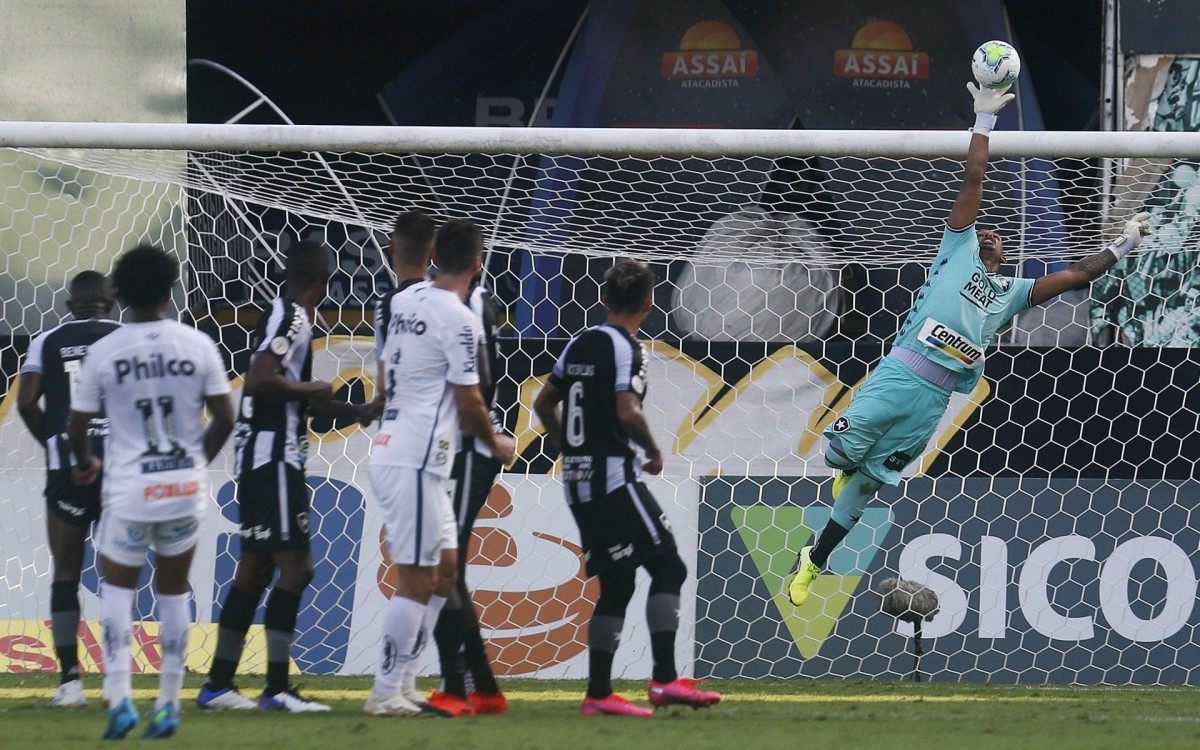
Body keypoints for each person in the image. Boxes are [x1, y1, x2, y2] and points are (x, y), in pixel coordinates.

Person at [786, 80, 1153, 606]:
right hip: (900, 373)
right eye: (986, 230)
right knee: (838, 454)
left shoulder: (1011, 292)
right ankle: (847, 473)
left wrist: (1122, 245)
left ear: (1005, 255)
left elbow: (1074, 275)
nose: (991, 234)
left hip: (932, 400)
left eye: (1000, 235)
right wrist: (983, 117)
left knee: (866, 488)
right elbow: (975, 175)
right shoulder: (955, 248)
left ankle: (812, 561)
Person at [533, 260, 721, 717]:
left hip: (579, 480)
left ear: (603, 299)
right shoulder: (624, 347)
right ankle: (663, 681)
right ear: (650, 304)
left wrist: (569, 447)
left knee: (617, 581)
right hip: (613, 476)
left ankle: (599, 694)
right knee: (669, 567)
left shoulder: (580, 342)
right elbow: (627, 411)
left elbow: (543, 402)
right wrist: (653, 452)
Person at [198, 240, 378, 712]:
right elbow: (260, 379)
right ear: (325, 278)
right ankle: (277, 689)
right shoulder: (291, 317)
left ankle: (218, 685)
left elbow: (302, 399)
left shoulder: (294, 318)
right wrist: (313, 385)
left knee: (255, 571)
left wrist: (357, 408)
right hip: (273, 459)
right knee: (297, 569)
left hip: (266, 459)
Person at [67, 244, 235, 739]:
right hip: (183, 486)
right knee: (172, 589)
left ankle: (119, 697)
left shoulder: (105, 350)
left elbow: (77, 426)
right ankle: (168, 704)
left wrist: (85, 462)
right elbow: (225, 417)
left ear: (119, 295)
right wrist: (194, 462)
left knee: (117, 587)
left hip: (130, 488)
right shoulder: (198, 344)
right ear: (170, 289)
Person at [364, 218, 515, 716]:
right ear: (478, 262)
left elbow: (388, 371)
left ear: (433, 258)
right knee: (418, 578)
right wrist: (497, 443)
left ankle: (405, 685)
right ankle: (386, 691)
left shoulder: (405, 301)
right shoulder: (462, 318)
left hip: (408, 449)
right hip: (413, 457)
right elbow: (470, 401)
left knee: (446, 570)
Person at [16, 270, 120, 707]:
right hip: (120, 467)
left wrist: (55, 444)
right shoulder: (125, 336)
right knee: (121, 576)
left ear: (68, 306)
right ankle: (119, 681)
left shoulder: (47, 340)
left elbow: (25, 403)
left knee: (65, 571)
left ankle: (70, 683)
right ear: (110, 303)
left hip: (68, 469)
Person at [429, 277, 507, 715]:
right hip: (451, 449)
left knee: (446, 565)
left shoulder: (475, 305)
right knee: (447, 568)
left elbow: (482, 384)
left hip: (472, 450)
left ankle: (459, 685)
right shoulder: (451, 303)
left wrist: (490, 438)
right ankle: (481, 685)